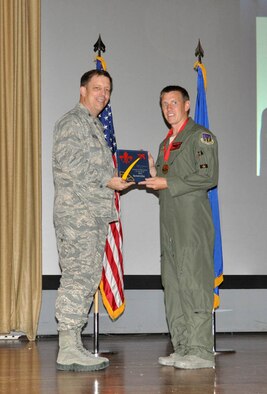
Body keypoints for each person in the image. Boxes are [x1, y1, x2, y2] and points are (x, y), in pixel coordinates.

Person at [52, 69, 134, 372]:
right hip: (78, 216)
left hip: (93, 215)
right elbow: (70, 163)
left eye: (108, 89)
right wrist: (108, 179)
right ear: (82, 90)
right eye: (97, 88)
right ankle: (67, 347)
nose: (103, 94)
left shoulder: (94, 126)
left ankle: (73, 344)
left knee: (86, 280)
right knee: (77, 278)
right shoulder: (72, 122)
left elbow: (102, 166)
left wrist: (130, 170)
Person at [140, 85, 218, 369]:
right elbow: (163, 178)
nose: (169, 108)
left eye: (174, 102)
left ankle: (201, 352)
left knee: (194, 282)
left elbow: (208, 176)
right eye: (164, 103)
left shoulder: (200, 136)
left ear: (187, 105)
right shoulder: (166, 144)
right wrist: (149, 171)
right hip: (169, 225)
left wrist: (167, 182)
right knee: (172, 284)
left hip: (192, 224)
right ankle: (183, 347)